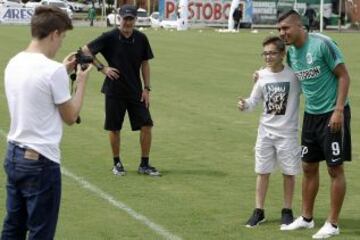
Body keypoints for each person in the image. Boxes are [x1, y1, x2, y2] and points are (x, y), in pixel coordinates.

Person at [1, 6, 92, 240]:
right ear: (54, 34)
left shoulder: (14, 62)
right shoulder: (52, 71)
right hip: (41, 160)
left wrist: (62, 69)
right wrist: (81, 82)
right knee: (41, 232)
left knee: (12, 228)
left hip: (14, 154)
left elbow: (37, 88)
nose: (61, 43)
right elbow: (70, 116)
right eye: (62, 36)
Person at [277, 10, 352, 239]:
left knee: (334, 168)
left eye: (286, 28)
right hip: (311, 116)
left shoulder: (322, 45)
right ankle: (307, 218)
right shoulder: (291, 54)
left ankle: (333, 223)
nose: (282, 33)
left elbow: (344, 76)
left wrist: (338, 111)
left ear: (300, 26)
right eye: (279, 29)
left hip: (333, 113)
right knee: (308, 167)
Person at [82, 4, 160, 177]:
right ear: (119, 18)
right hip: (114, 91)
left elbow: (145, 64)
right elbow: (85, 50)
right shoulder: (109, 37)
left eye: (131, 19)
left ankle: (144, 164)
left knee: (147, 125)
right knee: (114, 128)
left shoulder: (141, 38)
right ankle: (117, 163)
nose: (128, 22)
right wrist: (102, 68)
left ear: (135, 20)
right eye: (125, 19)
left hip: (136, 91)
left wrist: (147, 88)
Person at [239, 36, 301, 229]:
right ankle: (259, 211)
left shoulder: (294, 76)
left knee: (289, 173)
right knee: (262, 172)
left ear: (282, 54)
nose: (268, 56)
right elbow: (253, 101)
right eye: (265, 53)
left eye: (273, 53)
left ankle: (287, 210)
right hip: (265, 132)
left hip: (287, 134)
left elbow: (313, 87)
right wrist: (244, 105)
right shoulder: (261, 75)